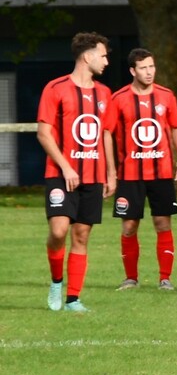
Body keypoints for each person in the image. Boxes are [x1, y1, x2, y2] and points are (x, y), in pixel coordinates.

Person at [37, 32, 117, 313]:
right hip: (61, 174)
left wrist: (111, 172)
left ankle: (73, 299)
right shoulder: (55, 88)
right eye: (103, 55)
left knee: (81, 236)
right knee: (59, 231)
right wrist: (66, 166)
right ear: (87, 56)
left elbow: (106, 134)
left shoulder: (104, 94)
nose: (106, 61)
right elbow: (44, 133)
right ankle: (56, 282)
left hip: (93, 176)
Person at [110, 48, 177, 291]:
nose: (149, 72)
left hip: (161, 172)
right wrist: (111, 171)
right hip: (129, 174)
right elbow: (106, 133)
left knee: (162, 222)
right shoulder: (119, 98)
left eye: (152, 66)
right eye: (143, 68)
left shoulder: (166, 96)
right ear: (132, 71)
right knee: (129, 226)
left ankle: (165, 279)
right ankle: (130, 278)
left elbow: (176, 128)